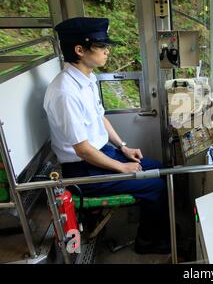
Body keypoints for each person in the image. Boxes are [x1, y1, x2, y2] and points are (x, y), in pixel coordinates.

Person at [43, 17, 170, 254]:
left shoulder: (86, 79)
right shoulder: (64, 93)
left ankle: (158, 228)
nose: (106, 52)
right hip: (84, 169)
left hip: (103, 155)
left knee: (159, 169)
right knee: (155, 185)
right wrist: (121, 168)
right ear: (80, 50)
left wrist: (123, 147)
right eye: (102, 47)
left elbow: (100, 118)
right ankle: (148, 241)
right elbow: (82, 150)